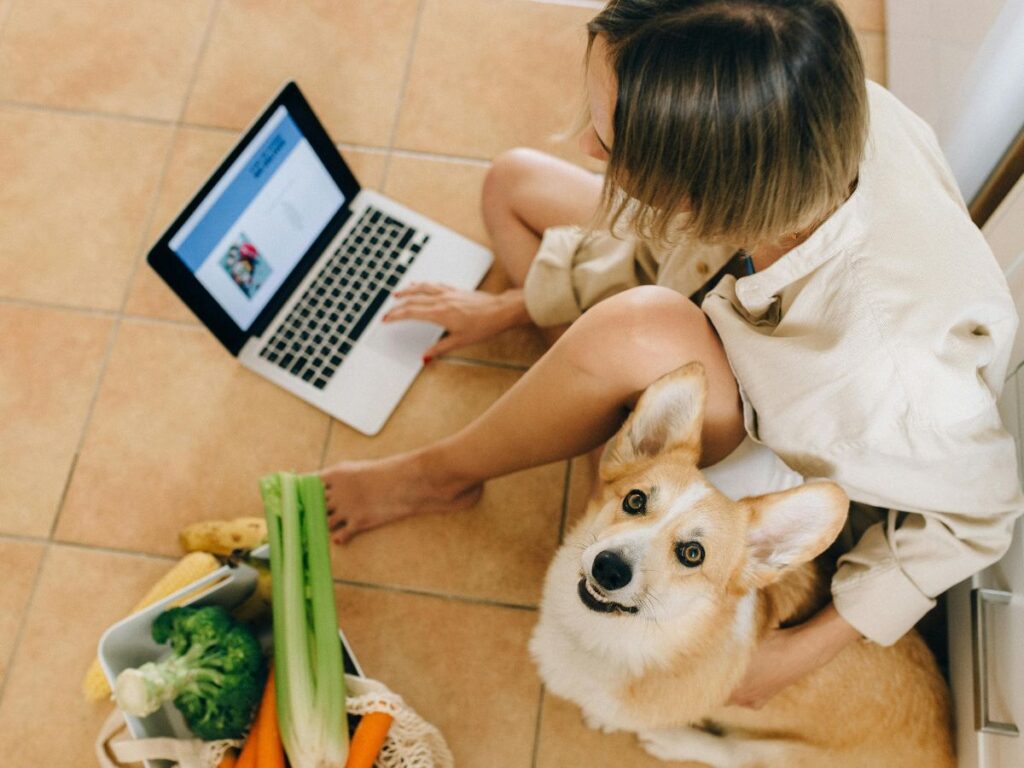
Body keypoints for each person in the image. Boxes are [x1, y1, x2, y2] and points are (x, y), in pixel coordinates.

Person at [319, 0, 1023, 708]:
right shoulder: (804, 110)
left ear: (701, 186)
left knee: (638, 328)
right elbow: (695, 254)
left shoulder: (889, 380)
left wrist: (798, 651)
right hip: (710, 307)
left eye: (612, 140)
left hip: (771, 422)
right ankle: (588, 376)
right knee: (512, 183)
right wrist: (523, 302)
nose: (592, 152)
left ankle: (439, 475)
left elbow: (983, 516)